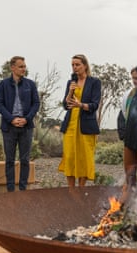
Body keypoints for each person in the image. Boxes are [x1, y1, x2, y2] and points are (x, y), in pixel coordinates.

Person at [0, 56, 40, 192]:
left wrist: (27, 118)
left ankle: (23, 189)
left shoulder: (30, 84)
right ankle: (10, 191)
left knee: (25, 159)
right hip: (9, 127)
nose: (23, 69)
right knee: (9, 160)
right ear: (12, 68)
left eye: (24, 66)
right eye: (21, 66)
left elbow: (36, 103)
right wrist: (11, 119)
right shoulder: (3, 84)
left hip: (26, 127)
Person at [58, 54, 101, 188]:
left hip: (86, 125)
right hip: (70, 124)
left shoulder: (94, 82)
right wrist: (70, 92)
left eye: (77, 65)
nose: (75, 67)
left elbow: (94, 105)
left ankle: (81, 189)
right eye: (73, 65)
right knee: (69, 157)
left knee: (84, 158)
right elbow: (66, 105)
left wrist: (81, 105)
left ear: (85, 66)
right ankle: (71, 190)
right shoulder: (71, 82)